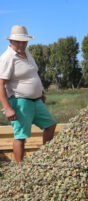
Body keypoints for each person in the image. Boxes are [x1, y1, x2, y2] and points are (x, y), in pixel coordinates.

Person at [0, 25, 57, 162]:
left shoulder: (27, 52)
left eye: (24, 41)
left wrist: (40, 92)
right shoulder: (8, 57)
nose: (21, 44)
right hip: (20, 101)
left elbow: (32, 74)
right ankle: (20, 170)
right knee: (21, 136)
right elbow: (1, 83)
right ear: (11, 41)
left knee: (50, 125)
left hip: (36, 100)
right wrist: (7, 108)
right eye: (18, 41)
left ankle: (45, 158)